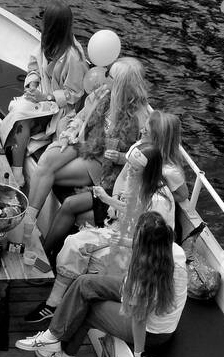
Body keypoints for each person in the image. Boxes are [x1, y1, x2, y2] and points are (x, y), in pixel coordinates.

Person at [25, 122, 176, 324]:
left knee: (89, 252)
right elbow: (132, 210)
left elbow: (154, 243)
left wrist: (123, 240)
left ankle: (65, 306)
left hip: (138, 251)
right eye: (129, 166)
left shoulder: (159, 202)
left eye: (134, 168)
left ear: (148, 171)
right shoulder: (140, 184)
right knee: (73, 242)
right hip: (120, 232)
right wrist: (108, 200)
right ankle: (53, 303)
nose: (128, 171)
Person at [15, 211, 187, 357]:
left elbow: (139, 319)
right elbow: (147, 243)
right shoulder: (173, 251)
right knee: (85, 283)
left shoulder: (144, 277)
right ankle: (51, 336)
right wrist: (122, 241)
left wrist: (138, 356)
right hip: (144, 303)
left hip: (152, 332)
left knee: (89, 306)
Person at [23, 56, 151, 227]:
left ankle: (29, 222)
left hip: (101, 161)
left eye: (110, 76)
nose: (106, 78)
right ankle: (28, 219)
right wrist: (69, 133)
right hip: (84, 142)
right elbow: (81, 117)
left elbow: (140, 154)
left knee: (50, 173)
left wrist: (120, 157)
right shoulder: (103, 93)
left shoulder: (139, 117)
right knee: (46, 161)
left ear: (122, 84)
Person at [0, 2, 88, 183]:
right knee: (21, 113)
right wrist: (32, 85)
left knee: (21, 113)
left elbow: (74, 94)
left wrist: (45, 97)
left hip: (62, 109)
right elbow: (34, 68)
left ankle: (17, 172)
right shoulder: (47, 44)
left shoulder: (74, 57)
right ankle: (17, 170)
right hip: (43, 99)